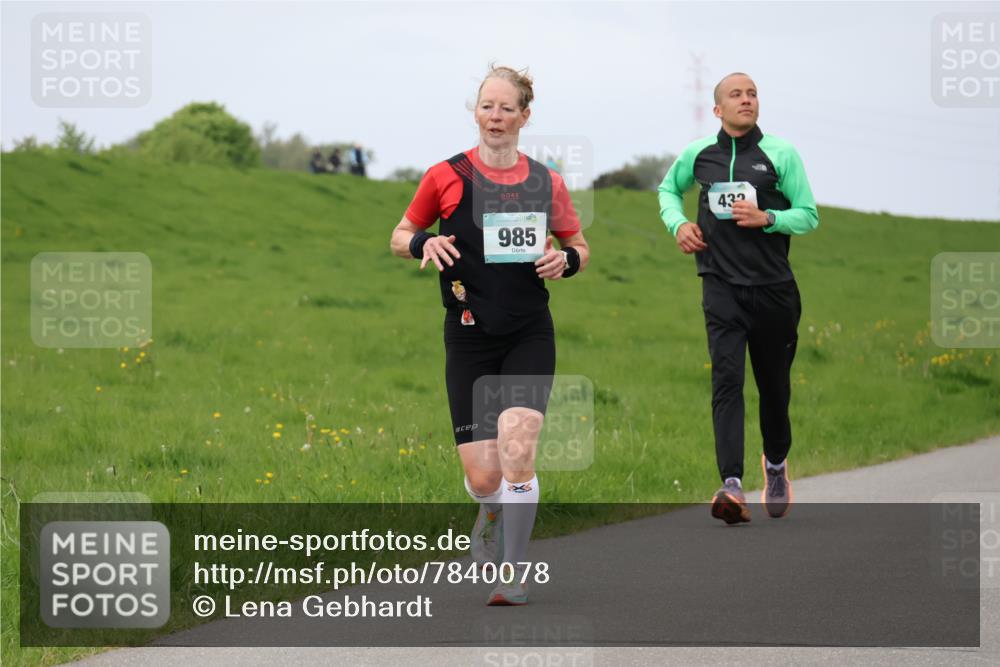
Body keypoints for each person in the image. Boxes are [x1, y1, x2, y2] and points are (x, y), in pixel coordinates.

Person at [390, 65, 590, 604]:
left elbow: (578, 245)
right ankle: (491, 509)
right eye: (486, 106)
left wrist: (564, 260)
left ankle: (513, 572)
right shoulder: (445, 175)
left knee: (518, 450)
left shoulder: (546, 181)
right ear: (475, 112)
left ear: (525, 116)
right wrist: (421, 245)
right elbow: (401, 233)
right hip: (469, 337)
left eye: (506, 108)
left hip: (528, 332)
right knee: (483, 476)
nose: (495, 117)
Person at [657, 72, 818, 525]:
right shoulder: (699, 154)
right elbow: (668, 190)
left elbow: (808, 215)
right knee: (727, 381)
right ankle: (731, 484)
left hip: (773, 291)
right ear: (718, 110)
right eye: (736, 94)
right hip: (720, 286)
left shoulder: (781, 154)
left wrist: (769, 217)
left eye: (752, 94)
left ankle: (776, 465)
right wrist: (678, 224)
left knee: (774, 388)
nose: (746, 100)